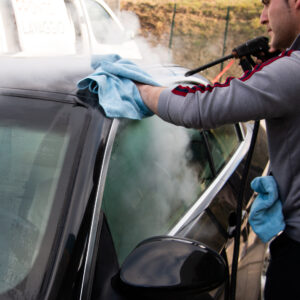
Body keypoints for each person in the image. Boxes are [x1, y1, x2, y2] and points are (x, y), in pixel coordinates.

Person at [135, 0, 300, 299]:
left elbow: (199, 107)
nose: (263, 19)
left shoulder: (293, 71)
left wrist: (141, 89)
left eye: (268, 4)